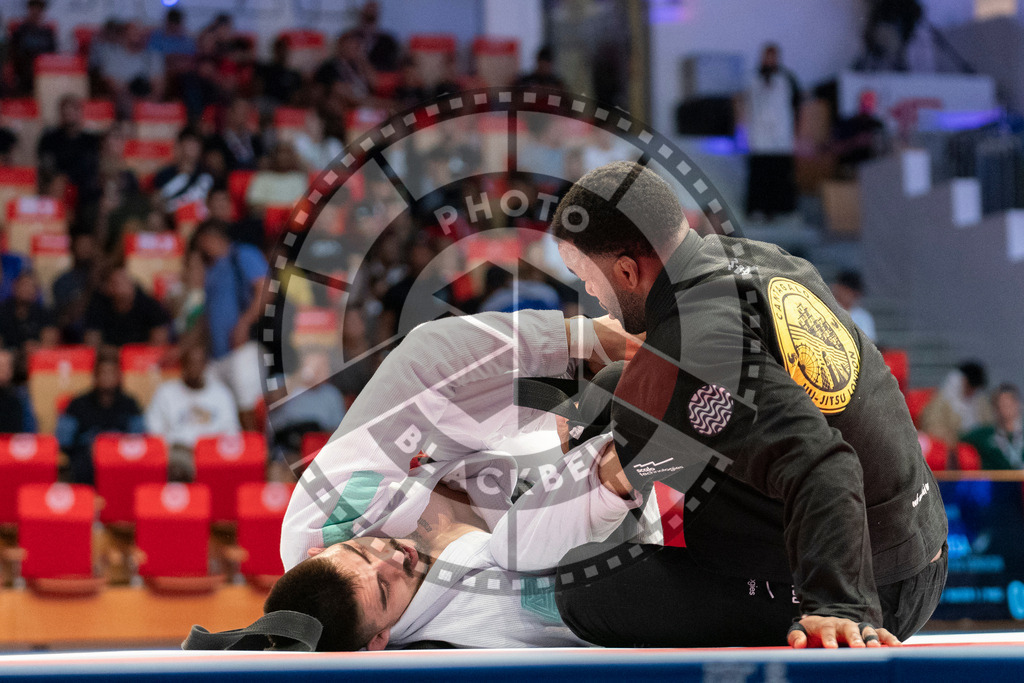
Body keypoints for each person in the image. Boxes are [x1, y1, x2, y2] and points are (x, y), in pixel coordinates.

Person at [549, 161, 946, 648]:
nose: (591, 293)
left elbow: (824, 462)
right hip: (920, 543)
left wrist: (837, 607)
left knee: (582, 584)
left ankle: (828, 602)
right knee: (624, 389)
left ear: (628, 271)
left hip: (872, 587)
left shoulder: (691, 351)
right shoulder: (762, 259)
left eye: (586, 277)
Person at [272, 310, 638, 649]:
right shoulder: (473, 623)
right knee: (523, 546)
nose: (392, 556)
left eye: (360, 552)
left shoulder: (327, 520)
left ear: (317, 552)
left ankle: (591, 364)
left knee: (446, 379)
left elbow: (422, 358)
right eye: (384, 588)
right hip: (583, 510)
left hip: (485, 446)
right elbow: (599, 611)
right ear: (379, 640)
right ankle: (636, 439)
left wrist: (578, 338)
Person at [189, 219, 268, 430]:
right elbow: (200, 314)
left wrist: (244, 322)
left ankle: (256, 447)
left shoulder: (243, 254)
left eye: (202, 243)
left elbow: (265, 290)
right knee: (214, 408)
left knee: (247, 403)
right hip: (216, 355)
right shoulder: (210, 269)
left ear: (211, 238)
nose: (201, 250)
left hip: (244, 348)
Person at [145, 344, 240, 482]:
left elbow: (232, 430)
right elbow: (155, 431)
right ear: (182, 365)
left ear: (205, 365)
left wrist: (208, 450)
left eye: (198, 363)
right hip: (179, 452)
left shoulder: (221, 393)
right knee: (177, 469)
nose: (194, 368)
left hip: (213, 454)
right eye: (190, 363)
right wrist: (177, 446)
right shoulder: (166, 392)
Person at [56, 350, 145, 485]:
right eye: (103, 373)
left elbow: (140, 438)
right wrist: (92, 444)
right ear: (95, 376)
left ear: (119, 376)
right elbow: (63, 440)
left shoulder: (130, 404)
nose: (107, 377)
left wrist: (112, 445)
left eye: (111, 373)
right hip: (86, 459)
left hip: (122, 458)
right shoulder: (77, 404)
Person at [742, 44, 800, 221]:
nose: (769, 60)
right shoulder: (751, 79)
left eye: (772, 57)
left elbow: (798, 106)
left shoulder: (787, 79)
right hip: (759, 137)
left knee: (780, 175)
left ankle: (783, 211)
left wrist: (798, 132)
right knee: (760, 175)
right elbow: (743, 104)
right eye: (767, 56)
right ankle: (758, 209)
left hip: (781, 137)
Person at [83, 266, 171, 347]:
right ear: (107, 288)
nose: (125, 285)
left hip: (143, 355)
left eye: (126, 280)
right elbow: (92, 344)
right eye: (117, 282)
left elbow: (159, 343)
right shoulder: (98, 306)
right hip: (109, 356)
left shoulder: (150, 305)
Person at [37, 95, 101, 201]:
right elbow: (46, 163)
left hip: (83, 186)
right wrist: (59, 177)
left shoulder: (91, 141)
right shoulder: (49, 139)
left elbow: (91, 166)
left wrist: (68, 177)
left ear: (80, 113)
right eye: (66, 112)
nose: (69, 116)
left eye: (72, 112)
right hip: (56, 183)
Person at [153, 127, 215, 215]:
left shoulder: (208, 174)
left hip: (200, 220)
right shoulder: (164, 175)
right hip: (171, 219)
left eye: (197, 143)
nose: (193, 147)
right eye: (190, 142)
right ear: (179, 145)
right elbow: (157, 202)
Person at [961, 384, 1023, 470]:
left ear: (1018, 404)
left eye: (1009, 404)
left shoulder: (1020, 434)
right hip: (994, 477)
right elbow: (959, 442)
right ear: (995, 408)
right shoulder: (983, 435)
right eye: (1000, 405)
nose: (1004, 409)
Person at [0, 272, 59, 354]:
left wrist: (38, 347)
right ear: (14, 287)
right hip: (8, 355)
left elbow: (50, 340)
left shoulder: (43, 312)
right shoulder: (3, 311)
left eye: (31, 286)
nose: (27, 289)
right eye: (24, 285)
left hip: (36, 354)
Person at [8, 0, 57, 95]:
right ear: (29, 9)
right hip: (24, 74)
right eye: (33, 8)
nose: (36, 11)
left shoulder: (48, 33)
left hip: (44, 75)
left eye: (39, 9)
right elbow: (14, 54)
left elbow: (52, 56)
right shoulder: (20, 31)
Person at [830, 269, 877, 341]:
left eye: (854, 293)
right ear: (837, 288)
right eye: (848, 291)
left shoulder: (863, 317)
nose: (851, 295)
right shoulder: (825, 309)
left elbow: (868, 343)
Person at [0, 348, 37, 433]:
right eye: (1, 365)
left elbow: (28, 429)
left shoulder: (21, 397)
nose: (3, 370)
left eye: (7, 366)